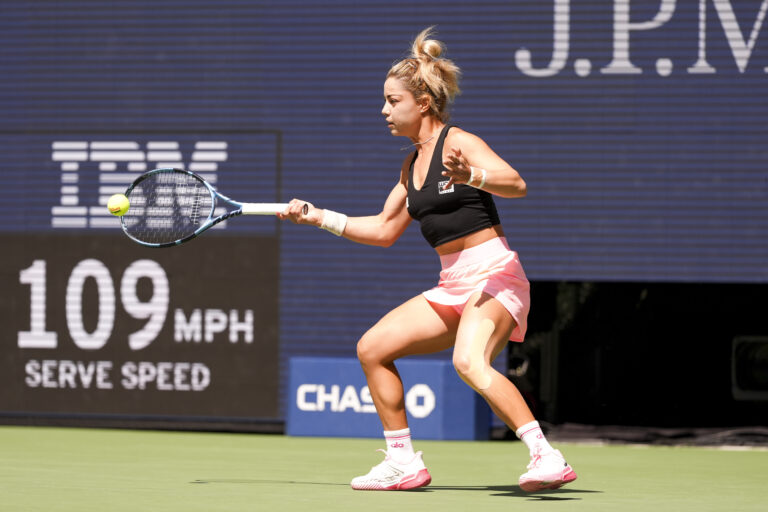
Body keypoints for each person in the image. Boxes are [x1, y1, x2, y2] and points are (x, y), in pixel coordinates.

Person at [278, 27, 577, 492]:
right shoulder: (409, 166)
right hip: (453, 283)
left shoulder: (459, 142)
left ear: (422, 102)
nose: (384, 110)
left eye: (392, 101)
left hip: (495, 273)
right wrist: (319, 217)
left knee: (469, 362)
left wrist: (473, 174)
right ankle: (402, 461)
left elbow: (516, 183)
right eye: (384, 101)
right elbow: (383, 230)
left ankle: (546, 456)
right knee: (373, 349)